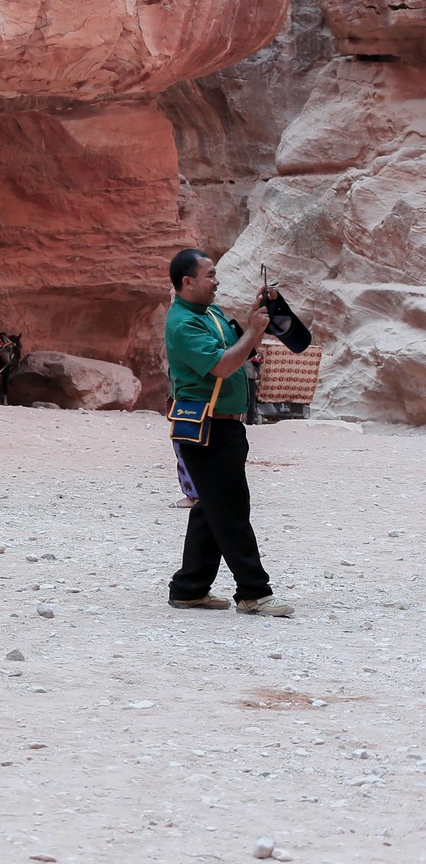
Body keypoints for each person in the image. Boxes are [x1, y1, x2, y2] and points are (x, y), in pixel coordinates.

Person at [164, 249, 293, 617]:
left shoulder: (209, 313)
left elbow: (236, 345)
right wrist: (254, 330)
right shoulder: (183, 324)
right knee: (231, 509)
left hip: (226, 427)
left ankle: (189, 588)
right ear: (188, 282)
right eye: (210, 275)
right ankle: (253, 591)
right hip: (207, 429)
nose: (216, 281)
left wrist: (257, 316)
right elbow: (222, 365)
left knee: (214, 506)